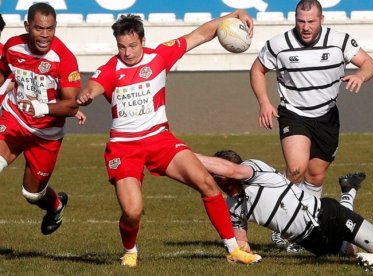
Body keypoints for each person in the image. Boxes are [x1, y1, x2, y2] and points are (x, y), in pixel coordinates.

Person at [76, 11, 262, 267]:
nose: (127, 52)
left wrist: (234, 15)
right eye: (121, 47)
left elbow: (200, 34)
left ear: (143, 40)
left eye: (132, 46)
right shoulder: (110, 69)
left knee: (207, 182)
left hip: (160, 140)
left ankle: (233, 249)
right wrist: (88, 94)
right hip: (124, 147)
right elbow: (94, 85)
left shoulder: (160, 56)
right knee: (132, 211)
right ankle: (130, 250)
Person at [249, 0, 373, 251]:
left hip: (327, 116)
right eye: (300, 21)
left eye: (311, 21)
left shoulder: (340, 40)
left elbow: (369, 64)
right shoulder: (279, 44)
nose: (305, 27)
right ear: (295, 19)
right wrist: (264, 102)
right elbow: (257, 69)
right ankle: (282, 228)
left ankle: (306, 228)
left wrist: (361, 75)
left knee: (315, 177)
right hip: (293, 114)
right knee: (296, 170)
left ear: (322, 20)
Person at [196, 150, 373, 274]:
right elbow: (242, 243)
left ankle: (348, 194)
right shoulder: (232, 207)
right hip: (311, 242)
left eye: (216, 175)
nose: (214, 181)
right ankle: (348, 189)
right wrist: (243, 256)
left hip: (329, 216)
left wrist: (183, 153)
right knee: (353, 258)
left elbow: (231, 169)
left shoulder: (254, 170)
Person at [0, 3, 82, 235]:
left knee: (32, 194)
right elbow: (5, 72)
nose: (45, 35)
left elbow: (71, 104)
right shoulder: (13, 46)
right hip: (15, 119)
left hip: (46, 134)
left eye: (50, 29)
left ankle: (56, 205)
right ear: (27, 26)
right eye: (38, 29)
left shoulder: (64, 58)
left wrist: (41, 107)